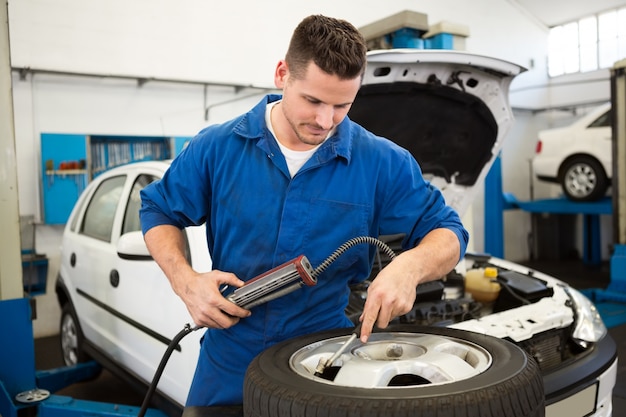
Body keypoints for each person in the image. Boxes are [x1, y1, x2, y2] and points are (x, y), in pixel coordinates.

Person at [139, 14, 468, 407]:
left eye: (342, 105)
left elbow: (448, 231)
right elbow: (159, 210)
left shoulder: (381, 162)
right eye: (312, 100)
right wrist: (185, 281)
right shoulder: (217, 147)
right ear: (282, 74)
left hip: (325, 356)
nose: (324, 121)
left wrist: (409, 269)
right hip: (229, 357)